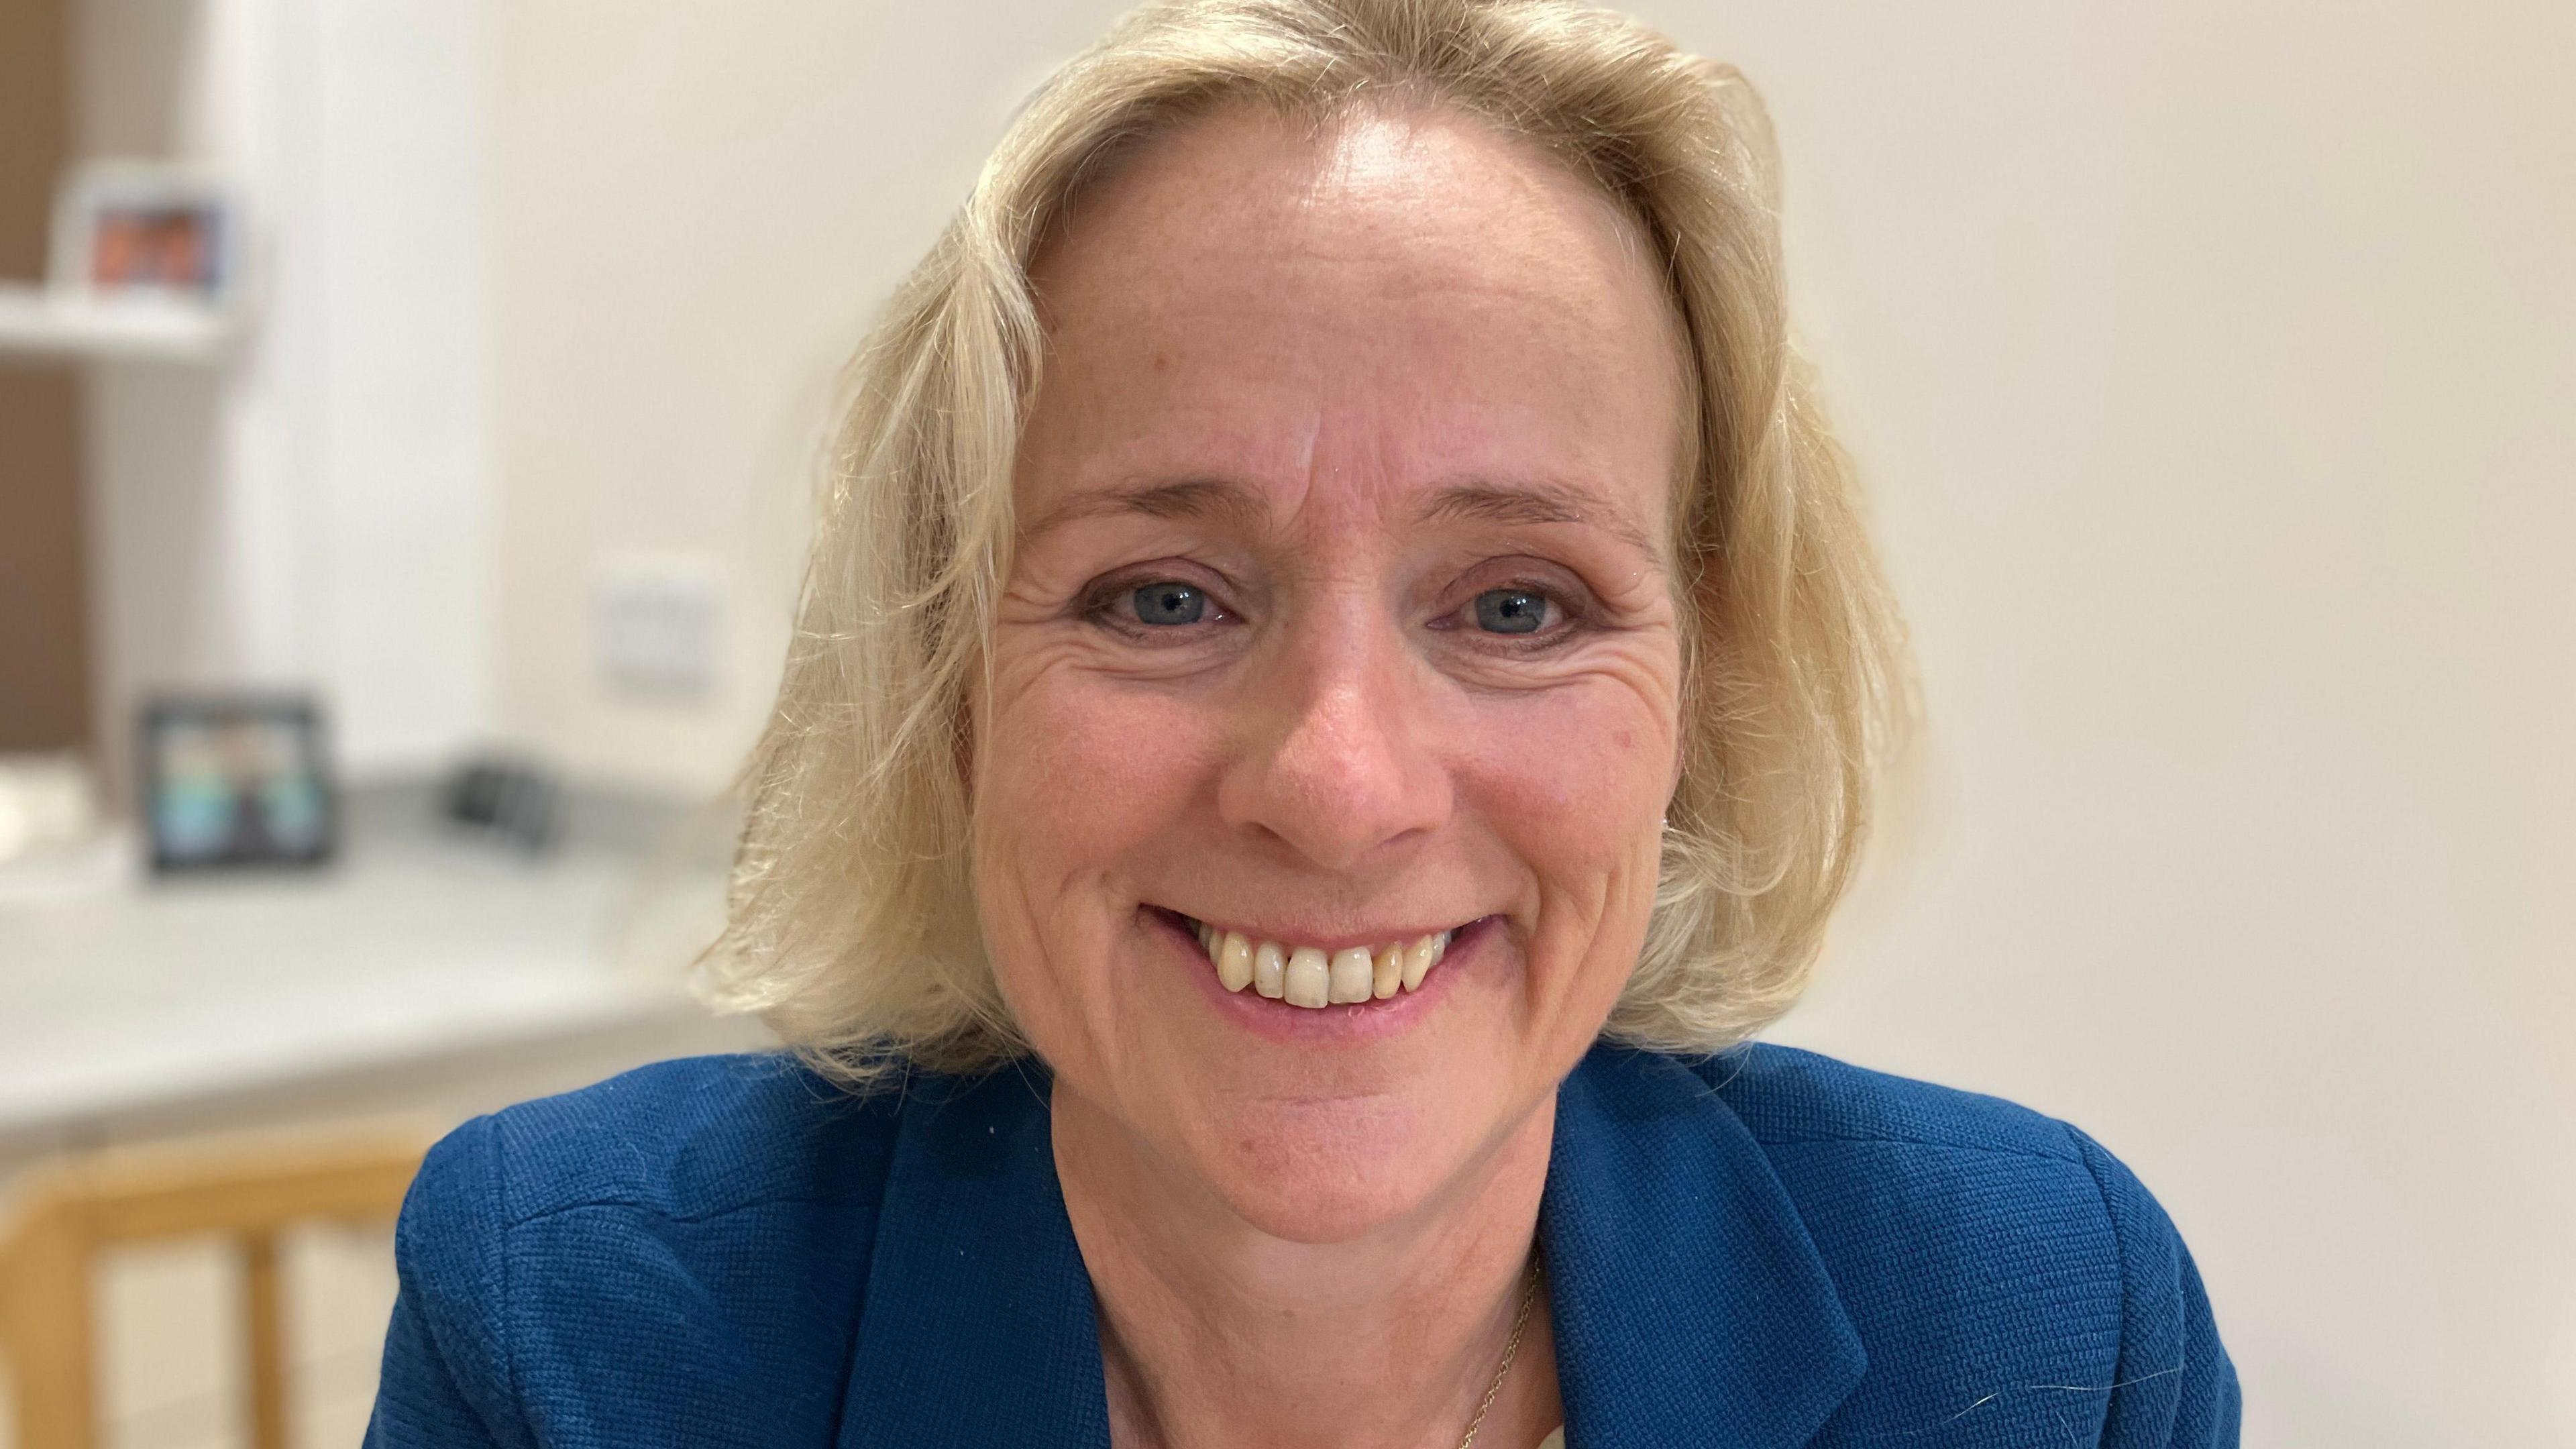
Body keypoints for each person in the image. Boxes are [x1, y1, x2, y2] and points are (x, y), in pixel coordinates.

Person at [366, 1, 2237, 1445]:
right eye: (1161, 598)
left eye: (1518, 607)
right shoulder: (573, 1327)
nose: (1340, 788)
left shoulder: (2046, 1334)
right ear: (949, 689)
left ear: (1699, 696)